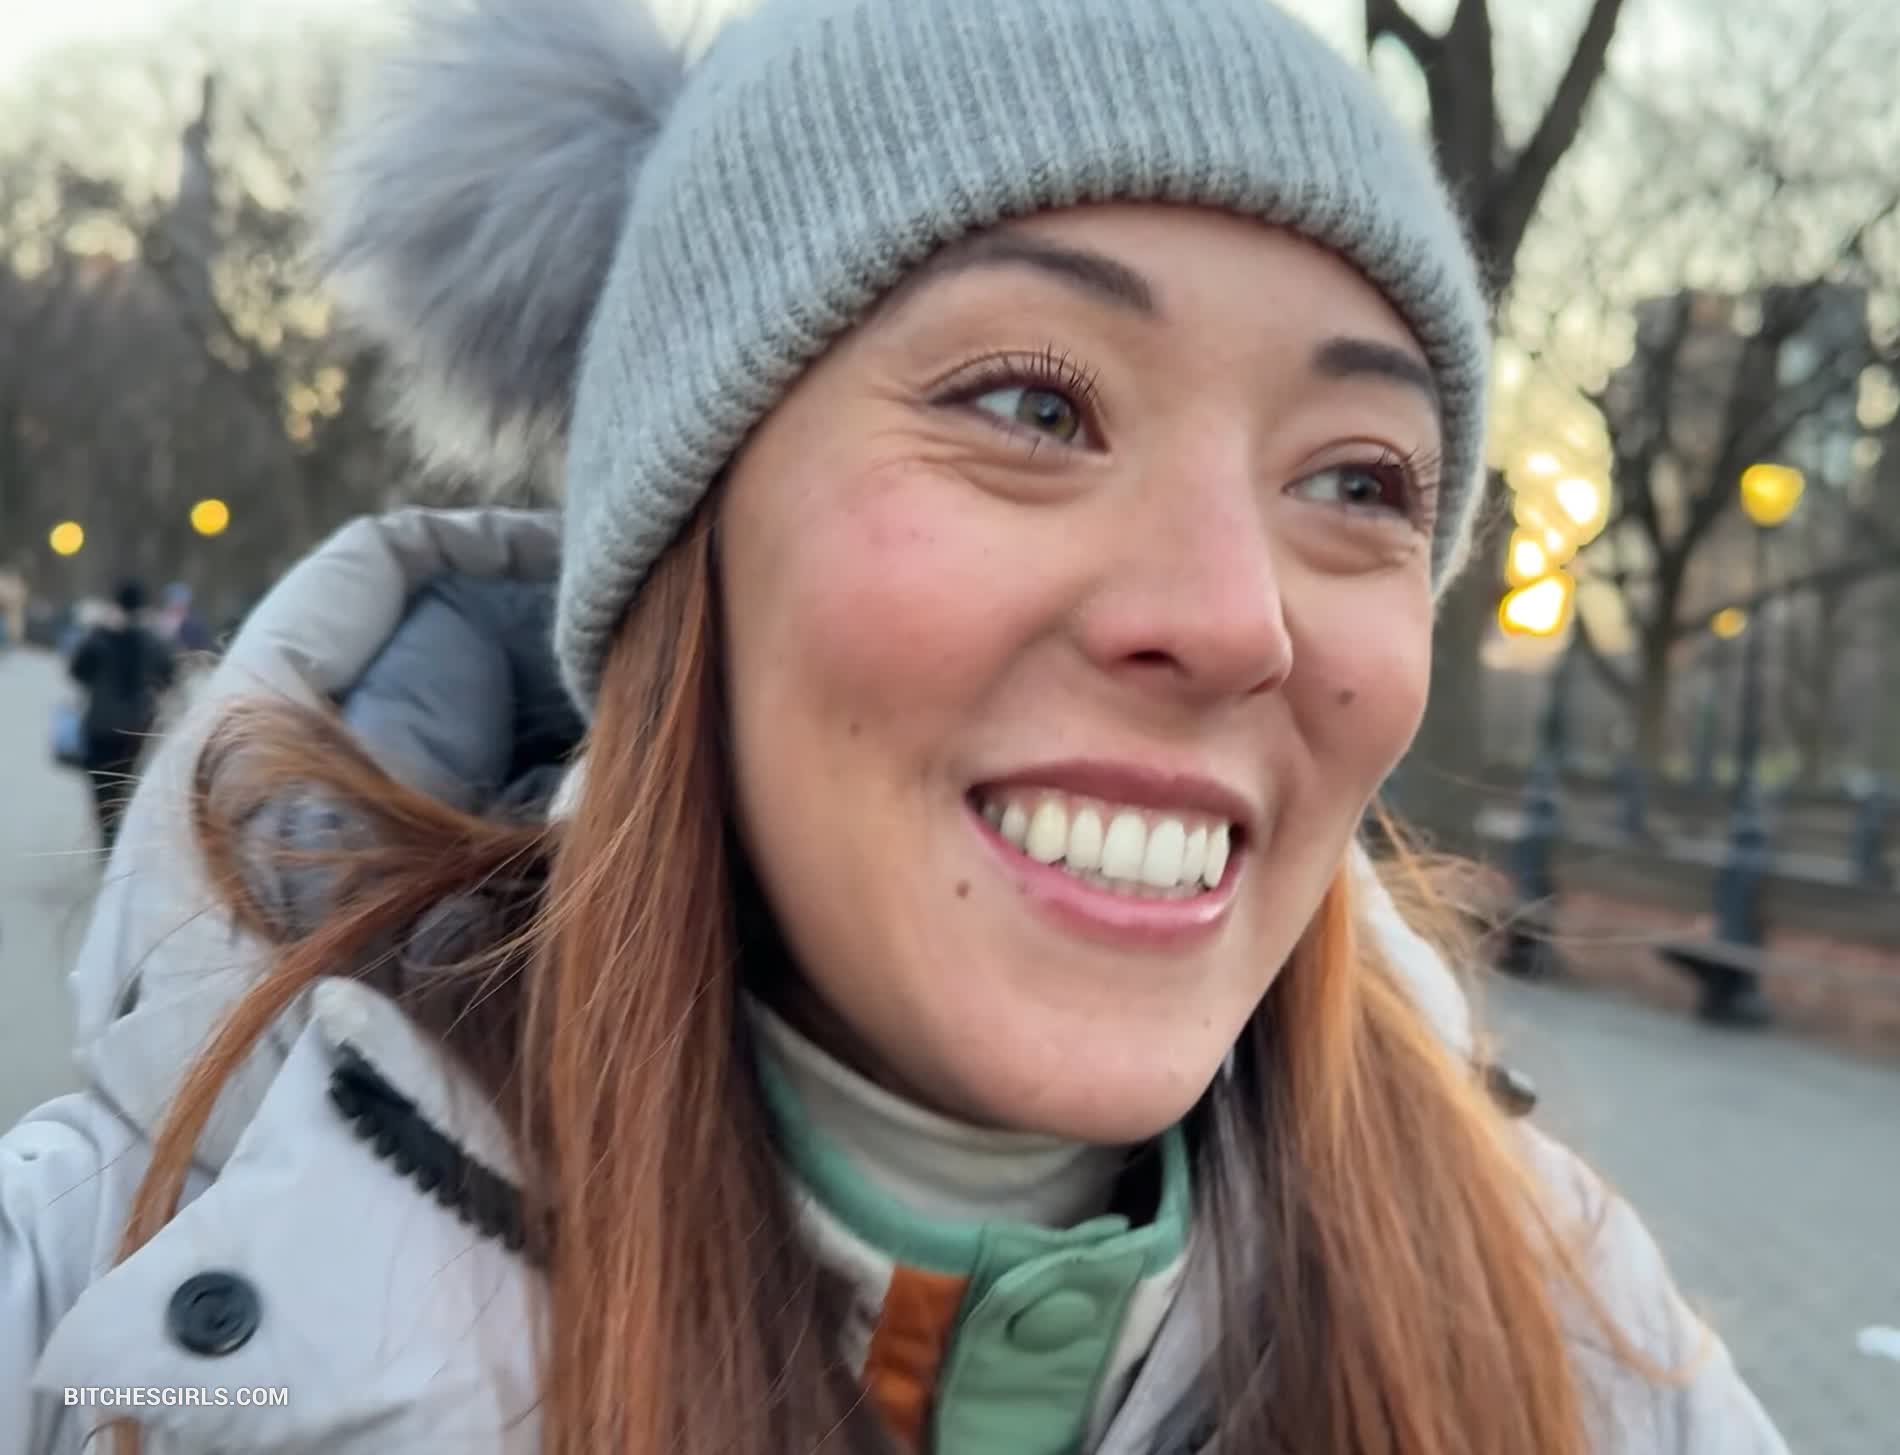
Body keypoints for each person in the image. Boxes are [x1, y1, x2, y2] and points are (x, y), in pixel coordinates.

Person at [0, 1, 1788, 1453]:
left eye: (1357, 479)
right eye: (1034, 404)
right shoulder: (100, 1301)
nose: (1237, 618)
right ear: (688, 543)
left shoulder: (1587, 1348)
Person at [65, 579, 176, 852]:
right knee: (124, 786)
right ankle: (116, 837)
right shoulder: (153, 640)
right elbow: (170, 675)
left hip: (100, 727)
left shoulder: (100, 636)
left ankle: (107, 837)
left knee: (100, 787)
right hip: (135, 727)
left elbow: (77, 671)